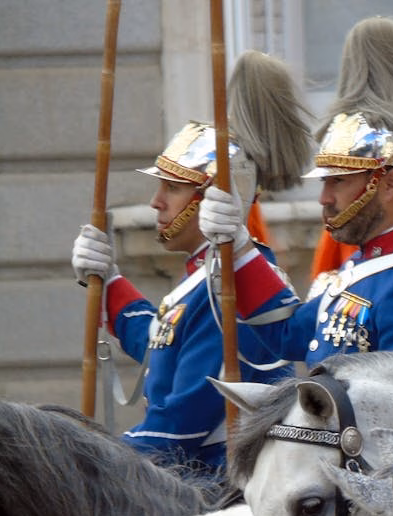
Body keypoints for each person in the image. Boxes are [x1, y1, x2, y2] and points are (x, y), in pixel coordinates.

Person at [199, 17, 393, 364]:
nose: (324, 198)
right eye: (325, 182)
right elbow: (287, 334)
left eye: (338, 181)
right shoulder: (364, 265)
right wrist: (238, 246)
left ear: (389, 184)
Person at [70, 122, 294, 476]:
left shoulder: (229, 283)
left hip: (217, 480)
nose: (156, 202)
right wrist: (109, 283)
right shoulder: (204, 274)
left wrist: (94, 462)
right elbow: (161, 346)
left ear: (212, 198)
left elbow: (183, 421)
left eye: (172, 188)